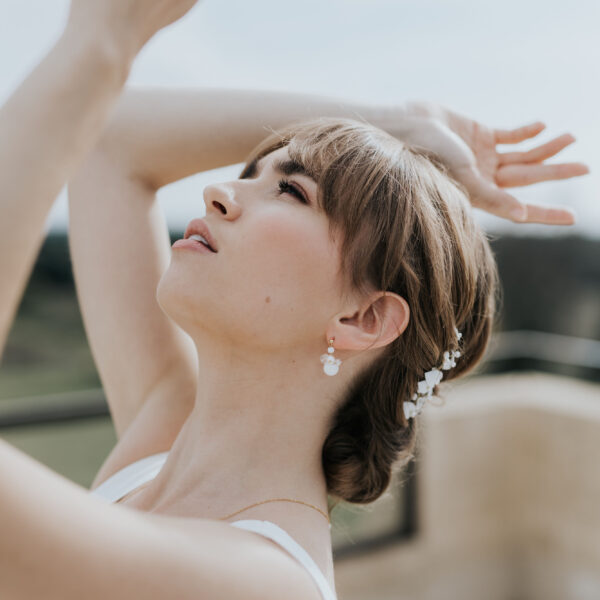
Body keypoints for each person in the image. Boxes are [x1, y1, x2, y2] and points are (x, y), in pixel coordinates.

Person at [0, 1, 590, 599]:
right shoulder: (158, 444)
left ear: (363, 317)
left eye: (290, 191)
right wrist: (396, 125)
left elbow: (98, 131)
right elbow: (108, 141)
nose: (218, 191)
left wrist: (101, 41)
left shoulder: (262, 581)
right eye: (252, 172)